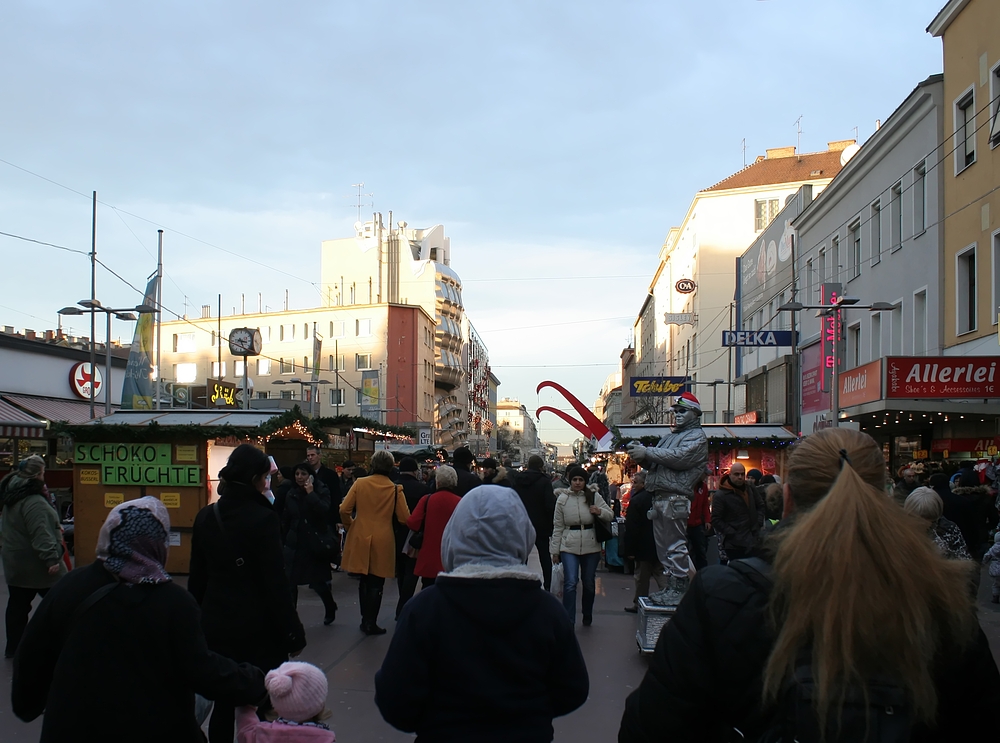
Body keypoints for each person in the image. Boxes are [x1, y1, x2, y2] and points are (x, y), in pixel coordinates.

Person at [619, 427, 1000, 743]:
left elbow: (651, 726)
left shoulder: (723, 595)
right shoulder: (942, 600)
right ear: (884, 497)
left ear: (786, 500)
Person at [12, 496, 267, 743]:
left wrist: (30, 704)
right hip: (152, 729)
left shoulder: (70, 587)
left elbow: (32, 655)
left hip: (72, 729)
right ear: (158, 543)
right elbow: (201, 670)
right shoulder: (173, 602)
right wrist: (255, 682)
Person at [375, 484, 589, 741]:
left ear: (455, 532)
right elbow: (573, 689)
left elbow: (395, 700)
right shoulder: (547, 611)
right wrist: (532, 715)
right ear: (522, 533)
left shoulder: (425, 609)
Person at [190, 444, 307, 743]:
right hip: (258, 627)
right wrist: (292, 632)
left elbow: (197, 580)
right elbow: (275, 582)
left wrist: (197, 624)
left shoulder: (206, 516)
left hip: (216, 624)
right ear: (257, 478)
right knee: (260, 700)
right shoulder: (263, 518)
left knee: (223, 703)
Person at [626, 392, 709, 605]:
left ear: (695, 413)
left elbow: (679, 458)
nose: (678, 415)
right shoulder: (669, 436)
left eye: (683, 411)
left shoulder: (697, 438)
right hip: (661, 498)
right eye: (676, 411)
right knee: (663, 546)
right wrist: (641, 455)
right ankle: (673, 585)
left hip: (676, 498)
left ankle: (681, 585)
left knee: (676, 544)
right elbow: (655, 464)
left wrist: (647, 452)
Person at [1, 455, 67, 659]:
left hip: (15, 562)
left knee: (18, 606)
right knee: (62, 602)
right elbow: (40, 531)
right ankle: (61, 645)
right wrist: (51, 558)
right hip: (36, 564)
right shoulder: (33, 501)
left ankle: (14, 647)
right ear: (38, 474)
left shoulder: (12, 494)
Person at [340, 449, 411, 635]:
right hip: (383, 537)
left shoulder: (360, 484)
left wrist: (351, 526)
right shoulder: (395, 489)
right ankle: (371, 621)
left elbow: (344, 509)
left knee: (363, 579)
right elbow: (404, 518)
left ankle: (365, 618)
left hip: (360, 533)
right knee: (376, 582)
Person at [550, 466, 613, 626]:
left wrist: (599, 511)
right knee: (570, 582)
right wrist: (555, 551)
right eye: (575, 480)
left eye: (581, 480)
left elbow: (610, 514)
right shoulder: (562, 499)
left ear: (585, 481)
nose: (577, 483)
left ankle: (587, 613)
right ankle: (568, 619)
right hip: (568, 544)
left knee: (589, 582)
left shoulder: (593, 496)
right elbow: (557, 526)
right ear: (570, 481)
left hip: (591, 543)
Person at [280, 463, 338, 626]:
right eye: (297, 474)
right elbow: (286, 516)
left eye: (303, 474)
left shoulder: (321, 489)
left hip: (314, 542)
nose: (299, 477)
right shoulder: (291, 492)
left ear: (310, 476)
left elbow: (324, 509)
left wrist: (311, 494)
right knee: (291, 582)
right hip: (295, 542)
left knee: (318, 581)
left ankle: (330, 605)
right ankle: (292, 619)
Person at [237, 662, 334, 742]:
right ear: (320, 705)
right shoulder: (325, 739)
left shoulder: (262, 734)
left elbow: (245, 730)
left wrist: (247, 707)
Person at [406, 465, 462, 589]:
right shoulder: (461, 503)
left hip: (430, 557)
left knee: (429, 591)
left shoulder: (427, 500)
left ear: (437, 481)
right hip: (452, 559)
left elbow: (412, 523)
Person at [622, 470, 667, 613]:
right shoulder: (660, 498)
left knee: (642, 576)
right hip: (659, 542)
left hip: (642, 545)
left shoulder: (637, 500)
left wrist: (629, 549)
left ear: (644, 483)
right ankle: (668, 596)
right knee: (660, 572)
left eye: (635, 482)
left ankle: (639, 602)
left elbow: (632, 527)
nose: (633, 485)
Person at [513, 454, 558, 591]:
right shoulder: (545, 481)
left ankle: (520, 584)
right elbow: (550, 504)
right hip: (541, 525)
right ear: (541, 466)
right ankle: (548, 585)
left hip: (522, 523)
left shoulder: (517, 480)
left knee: (522, 557)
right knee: (544, 556)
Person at [393, 457, 429, 619]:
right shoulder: (422, 489)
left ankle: (402, 602)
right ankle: (405, 605)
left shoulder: (392, 487)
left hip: (393, 533)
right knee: (411, 572)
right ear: (415, 471)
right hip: (414, 536)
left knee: (400, 571)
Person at [711, 462, 765, 562]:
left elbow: (760, 505)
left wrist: (758, 523)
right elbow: (716, 519)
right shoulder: (721, 495)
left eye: (742, 474)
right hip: (734, 544)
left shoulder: (750, 488)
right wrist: (732, 532)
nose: (740, 477)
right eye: (736, 474)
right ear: (730, 475)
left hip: (752, 539)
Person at [903, 486, 971, 561]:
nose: (922, 523)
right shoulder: (902, 530)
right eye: (918, 518)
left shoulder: (949, 529)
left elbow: (964, 559)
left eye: (927, 518)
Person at [686, 473, 712, 571]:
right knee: (686, 551)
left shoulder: (703, 487)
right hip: (686, 523)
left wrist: (707, 520)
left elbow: (705, 504)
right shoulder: (687, 485)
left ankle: (702, 572)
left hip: (697, 523)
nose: (705, 476)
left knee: (701, 550)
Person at [982, 533, 1000, 604]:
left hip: (995, 569)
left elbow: (987, 556)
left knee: (996, 584)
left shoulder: (993, 548)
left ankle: (996, 596)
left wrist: (983, 563)